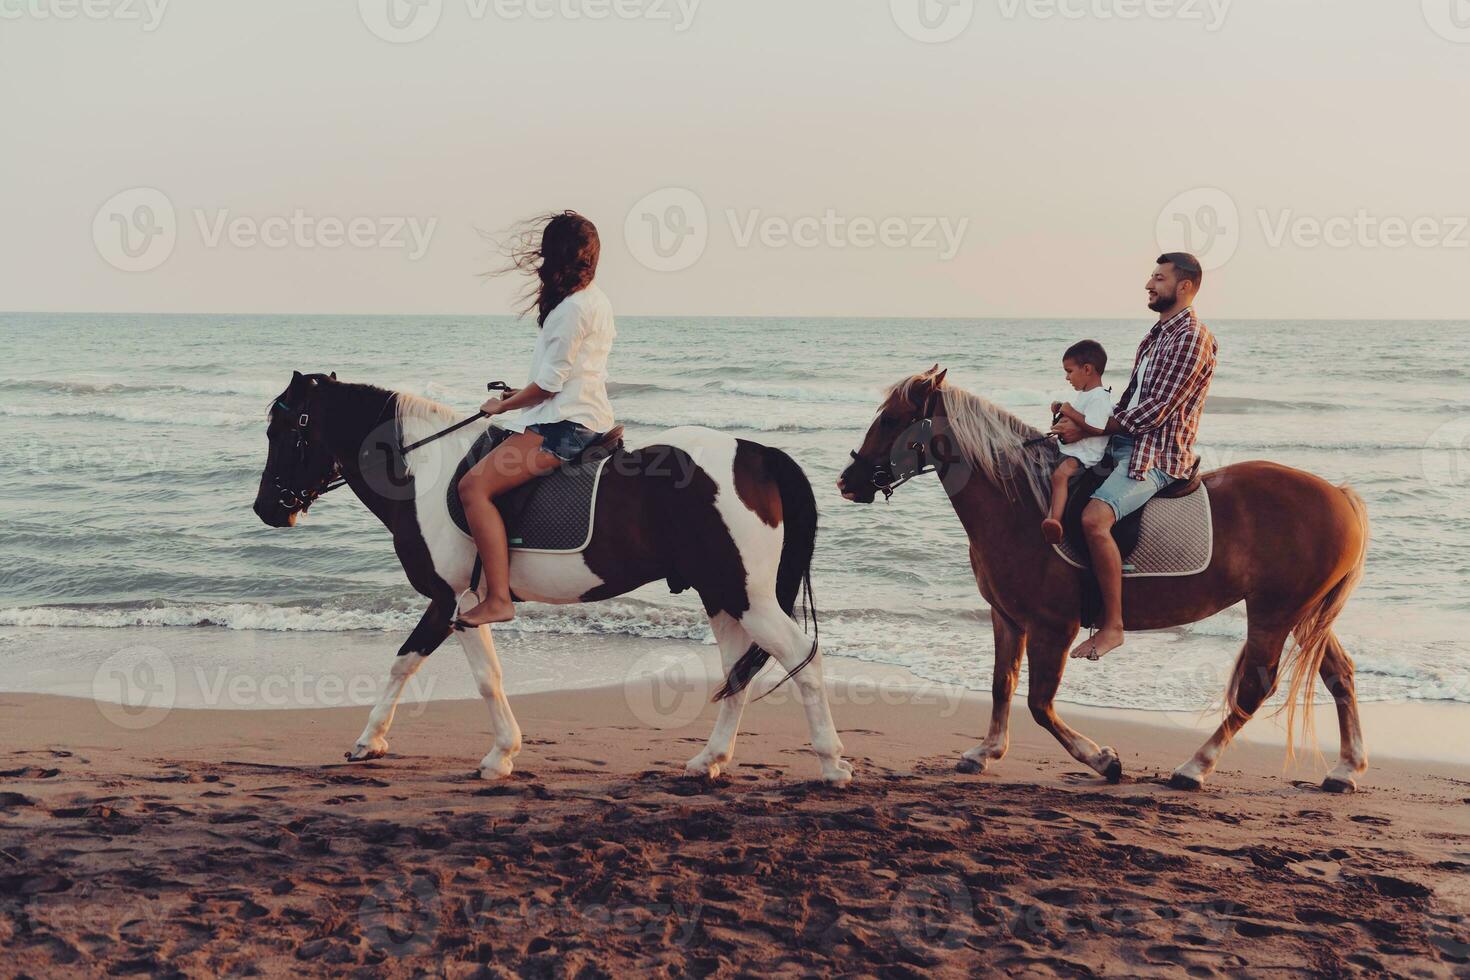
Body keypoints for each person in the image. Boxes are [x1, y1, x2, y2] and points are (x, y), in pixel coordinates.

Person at [1051, 253, 1218, 661]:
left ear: (1184, 286)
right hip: (1124, 441)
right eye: (1151, 277)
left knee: (1095, 518)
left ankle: (1113, 626)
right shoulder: (1157, 334)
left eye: (1158, 278)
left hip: (1157, 453)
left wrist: (1089, 428)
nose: (1148, 284)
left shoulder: (1191, 338)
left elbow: (1153, 412)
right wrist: (1079, 428)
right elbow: (1129, 400)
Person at [456, 211, 617, 627]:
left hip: (564, 428)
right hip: (576, 413)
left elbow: (549, 385)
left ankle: (498, 599)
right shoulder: (595, 299)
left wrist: (502, 406)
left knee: (473, 487)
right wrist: (520, 396)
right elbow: (564, 378)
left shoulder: (570, 310)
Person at [1041, 340, 1112, 545]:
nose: (1067, 377)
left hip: (1086, 454)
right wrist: (1061, 410)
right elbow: (1079, 417)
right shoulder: (1086, 394)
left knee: (1059, 476)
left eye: (1069, 371)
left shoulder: (1099, 397)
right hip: (1075, 449)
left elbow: (1096, 427)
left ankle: (1054, 519)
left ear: (1087, 369)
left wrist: (1070, 411)